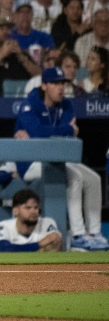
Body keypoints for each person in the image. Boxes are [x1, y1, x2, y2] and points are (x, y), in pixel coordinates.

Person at [13, 67, 108, 250]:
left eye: (62, 83)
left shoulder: (66, 105)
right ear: (44, 85)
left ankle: (95, 233)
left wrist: (47, 134)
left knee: (94, 179)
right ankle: (78, 235)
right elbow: (39, 132)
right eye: (55, 83)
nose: (60, 88)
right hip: (31, 163)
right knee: (74, 177)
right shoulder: (30, 103)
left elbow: (61, 135)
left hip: (58, 159)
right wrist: (63, 131)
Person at [0, 189, 64, 252]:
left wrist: (17, 249)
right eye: (28, 208)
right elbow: (4, 249)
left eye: (36, 207)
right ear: (15, 211)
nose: (33, 211)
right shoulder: (3, 226)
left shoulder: (46, 223)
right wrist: (39, 244)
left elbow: (55, 242)